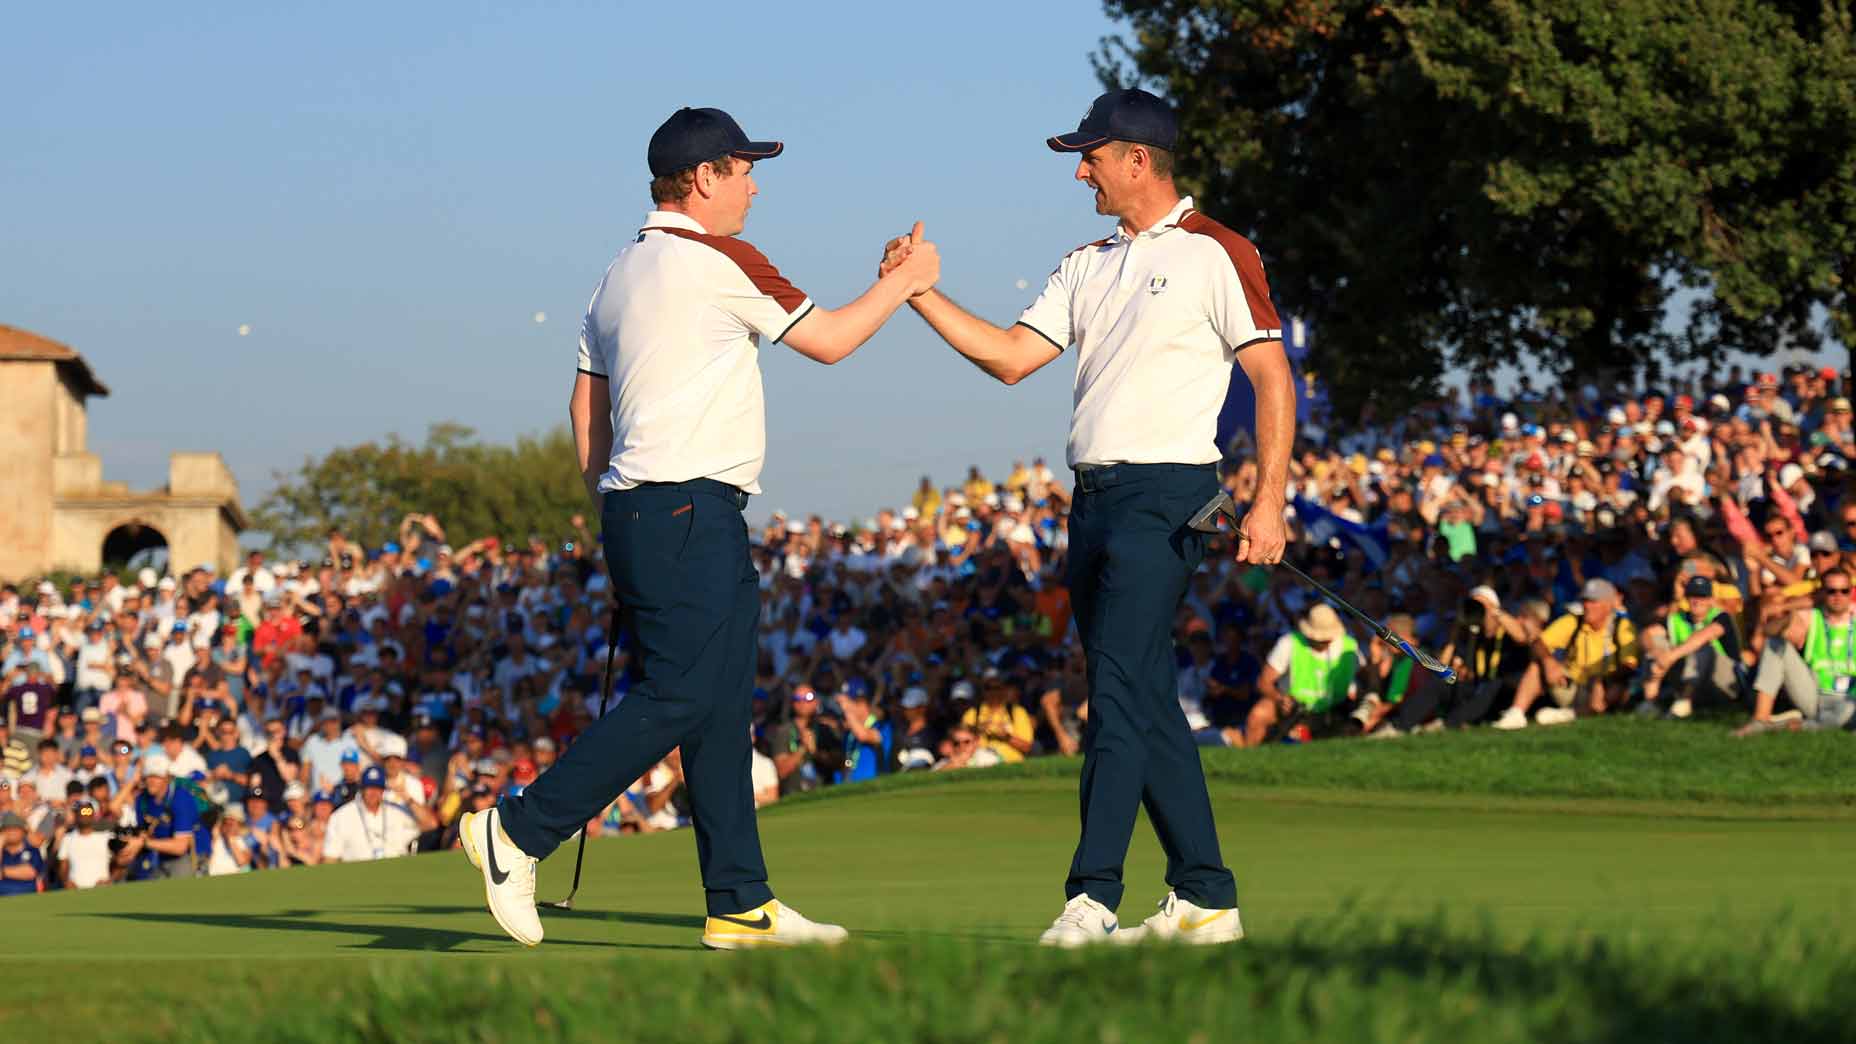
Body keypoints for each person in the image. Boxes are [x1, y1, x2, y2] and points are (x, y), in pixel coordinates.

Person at [467, 105, 936, 949]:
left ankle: (739, 902)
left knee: (719, 708)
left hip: (647, 507)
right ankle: (521, 830)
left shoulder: (616, 273)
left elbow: (586, 405)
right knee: (683, 694)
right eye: (743, 169)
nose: (754, 184)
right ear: (703, 178)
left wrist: (613, 497)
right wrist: (907, 282)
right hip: (688, 507)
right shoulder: (721, 259)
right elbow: (828, 341)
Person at [882, 88, 1292, 946]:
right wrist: (917, 294)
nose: (1081, 171)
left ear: (1137, 160)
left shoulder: (1219, 251)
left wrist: (1270, 501)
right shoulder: (1087, 260)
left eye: (1092, 156)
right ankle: (1207, 896)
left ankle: (1093, 897)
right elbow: (1008, 357)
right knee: (1140, 693)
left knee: (1112, 691)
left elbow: (1271, 379)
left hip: (1170, 497)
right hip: (1095, 503)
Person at [1497, 578, 1641, 728]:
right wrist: (1549, 662)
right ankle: (1516, 713)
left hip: (1604, 686)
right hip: (1573, 684)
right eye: (1585, 601)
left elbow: (1629, 665)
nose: (1587, 606)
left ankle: (1570, 714)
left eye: (1593, 602)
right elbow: (1539, 643)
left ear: (1607, 605)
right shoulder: (1573, 622)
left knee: (1617, 687)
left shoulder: (1622, 627)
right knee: (1537, 665)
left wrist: (1601, 681)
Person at [1735, 577, 1856, 736]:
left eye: (1844, 591)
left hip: (1850, 697)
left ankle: (1797, 725)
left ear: (1851, 593)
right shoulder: (1813, 616)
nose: (1838, 596)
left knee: (1846, 709)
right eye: (1831, 591)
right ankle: (1760, 720)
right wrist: (1788, 618)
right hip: (1814, 695)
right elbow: (1768, 631)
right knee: (1775, 643)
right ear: (1823, 593)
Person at [1246, 605, 1360, 745]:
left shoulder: (1349, 647)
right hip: (1291, 711)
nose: (1324, 642)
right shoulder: (1289, 643)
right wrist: (1280, 698)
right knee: (1258, 715)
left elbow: (1360, 682)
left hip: (1333, 710)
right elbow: (1263, 682)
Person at [1642, 575, 1744, 719]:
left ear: (1711, 600)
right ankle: (1650, 702)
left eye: (1702, 597)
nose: (1696, 601)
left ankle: (1684, 701)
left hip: (1723, 683)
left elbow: (1703, 636)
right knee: (1656, 643)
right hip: (1685, 676)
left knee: (1703, 648)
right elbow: (1648, 633)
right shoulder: (1676, 619)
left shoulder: (1722, 617)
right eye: (1692, 596)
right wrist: (1657, 653)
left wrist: (1669, 656)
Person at [117, 753, 200, 880]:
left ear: (167, 777)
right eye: (149, 776)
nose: (151, 780)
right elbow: (144, 834)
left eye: (157, 776)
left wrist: (143, 842)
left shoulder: (181, 798)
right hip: (157, 855)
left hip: (187, 857)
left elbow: (180, 847)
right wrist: (129, 850)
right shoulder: (143, 799)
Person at [324, 766, 421, 863]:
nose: (373, 792)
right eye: (369, 788)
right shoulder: (341, 816)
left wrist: (406, 796)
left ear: (383, 790)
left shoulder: (396, 812)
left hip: (395, 872)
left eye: (378, 788)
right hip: (357, 874)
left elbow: (430, 825)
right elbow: (330, 858)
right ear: (362, 789)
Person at [55, 798, 113, 888]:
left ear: (93, 815)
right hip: (76, 892)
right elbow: (63, 867)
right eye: (81, 812)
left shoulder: (106, 837)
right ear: (76, 815)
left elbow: (120, 863)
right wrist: (66, 882)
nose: (84, 815)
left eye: (88, 811)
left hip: (102, 890)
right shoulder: (67, 839)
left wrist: (110, 880)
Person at [0, 811, 44, 896]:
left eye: (15, 828)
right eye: (7, 829)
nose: (11, 832)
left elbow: (30, 872)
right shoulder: (2, 852)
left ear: (23, 832)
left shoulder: (32, 850)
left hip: (27, 898)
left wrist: (3, 872)